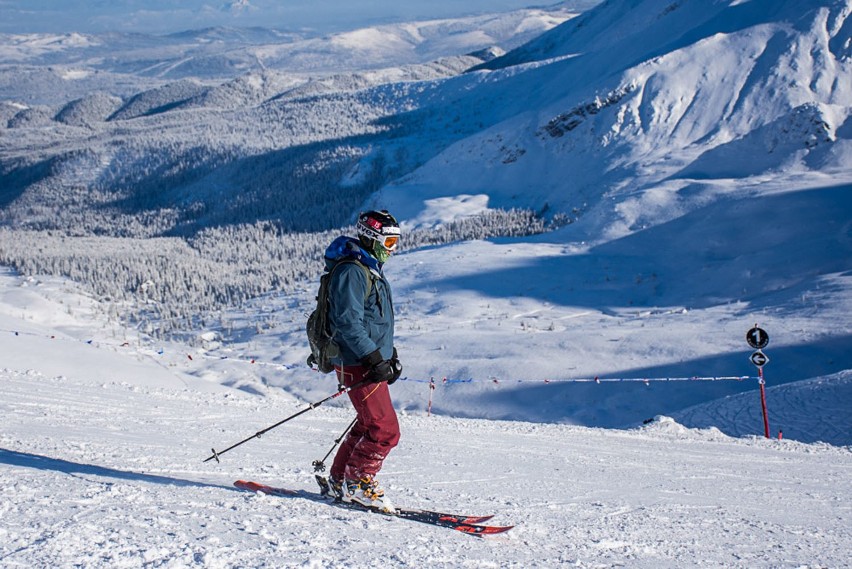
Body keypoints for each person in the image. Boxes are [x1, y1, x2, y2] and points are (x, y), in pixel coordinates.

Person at [324, 210, 403, 512]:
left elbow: (374, 321)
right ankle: (359, 482)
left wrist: (387, 356)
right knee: (385, 430)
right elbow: (348, 321)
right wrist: (373, 357)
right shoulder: (353, 272)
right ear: (372, 237)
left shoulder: (370, 268)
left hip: (366, 359)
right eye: (390, 241)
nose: (393, 248)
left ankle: (340, 479)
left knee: (368, 424)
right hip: (357, 362)